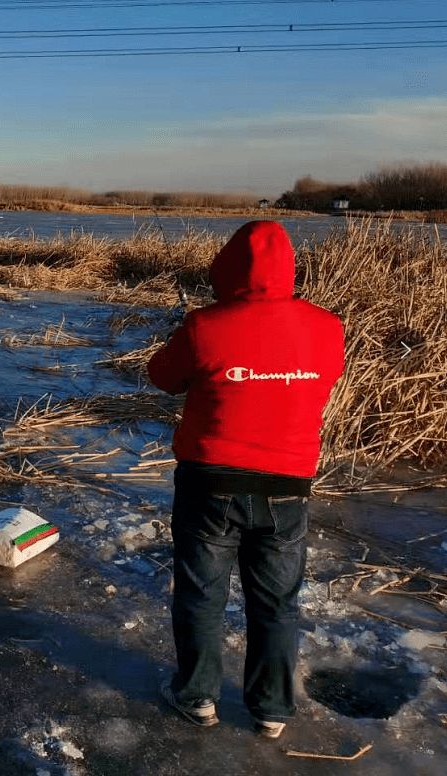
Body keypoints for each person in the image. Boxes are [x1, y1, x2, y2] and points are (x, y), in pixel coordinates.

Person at [147, 221, 344, 739]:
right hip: (287, 486)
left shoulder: (204, 325)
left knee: (200, 595)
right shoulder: (328, 327)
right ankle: (272, 710)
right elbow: (321, 377)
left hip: (210, 484)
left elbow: (162, 377)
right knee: (277, 602)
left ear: (227, 267)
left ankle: (196, 698)